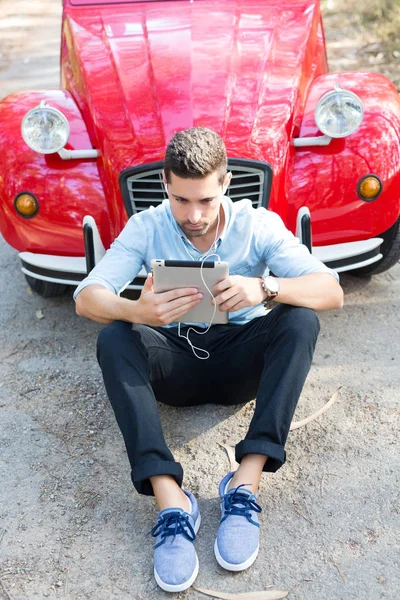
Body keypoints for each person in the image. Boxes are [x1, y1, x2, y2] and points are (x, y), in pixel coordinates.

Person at [74, 127, 343, 593]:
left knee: (301, 321)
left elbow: (331, 291)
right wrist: (137, 310)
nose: (193, 215)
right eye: (181, 200)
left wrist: (265, 287)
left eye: (204, 200)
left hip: (242, 363)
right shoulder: (147, 225)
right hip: (174, 363)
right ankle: (171, 501)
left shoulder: (256, 224)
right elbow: (87, 297)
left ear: (225, 182)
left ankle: (246, 481)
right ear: (164, 184)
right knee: (114, 337)